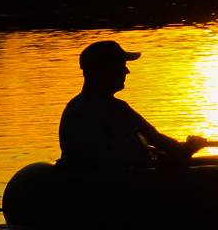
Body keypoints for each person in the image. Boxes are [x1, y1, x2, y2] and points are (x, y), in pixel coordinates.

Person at [59, 41, 206, 173]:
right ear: (105, 70)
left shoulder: (73, 107)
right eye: (121, 65)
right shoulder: (117, 109)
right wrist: (191, 147)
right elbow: (161, 142)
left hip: (86, 179)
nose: (126, 71)